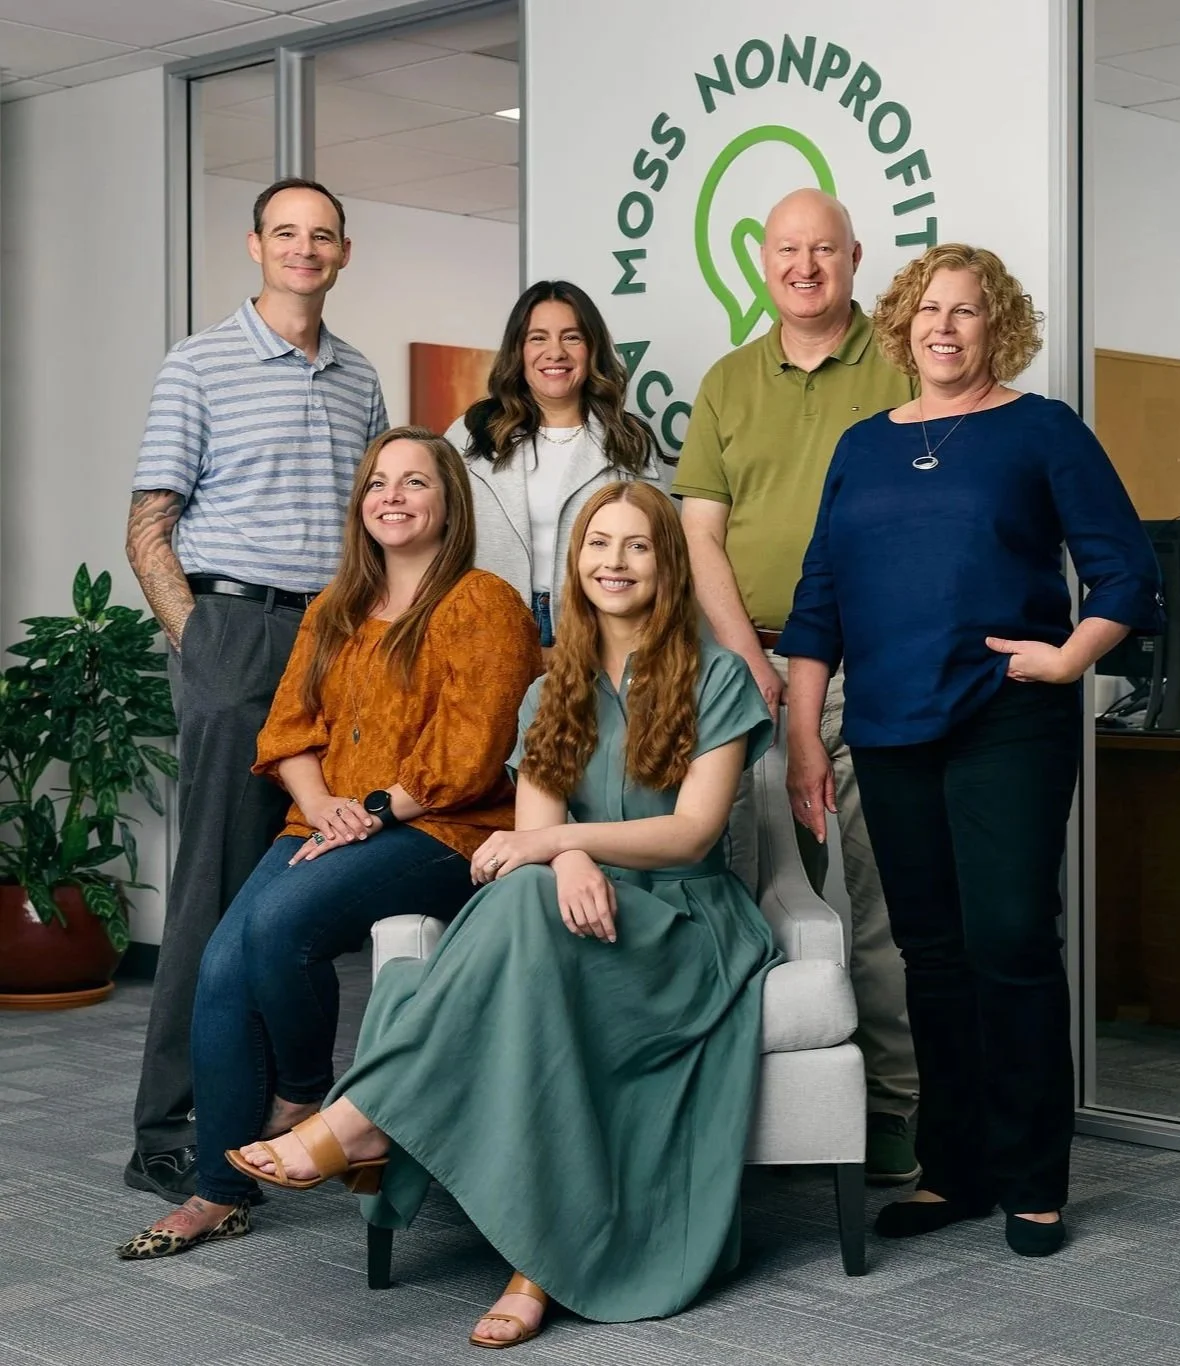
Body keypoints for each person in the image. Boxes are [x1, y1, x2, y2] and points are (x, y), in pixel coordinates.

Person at [221, 481, 780, 1344]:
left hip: (685, 922)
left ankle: (367, 1117)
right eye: (599, 545)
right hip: (575, 907)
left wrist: (561, 849)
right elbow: (538, 833)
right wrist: (570, 853)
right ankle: (532, 1258)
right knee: (524, 899)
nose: (615, 562)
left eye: (637, 546)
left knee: (522, 889)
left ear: (668, 563)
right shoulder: (547, 689)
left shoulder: (718, 675)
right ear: (576, 565)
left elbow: (692, 833)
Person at [779, 243, 1164, 1257]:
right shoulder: (861, 445)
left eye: (966, 313)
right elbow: (817, 603)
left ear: (996, 329)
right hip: (885, 727)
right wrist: (801, 741)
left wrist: (1067, 654)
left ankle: (1032, 1178)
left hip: (1005, 720)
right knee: (930, 957)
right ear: (902, 324)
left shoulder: (1040, 431)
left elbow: (1124, 570)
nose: (943, 327)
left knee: (1008, 943)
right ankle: (953, 1169)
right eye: (928, 310)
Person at [116, 427, 542, 1260]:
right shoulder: (335, 604)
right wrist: (325, 806)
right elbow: (289, 729)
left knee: (279, 928)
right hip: (330, 818)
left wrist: (372, 811)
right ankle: (219, 1189)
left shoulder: (483, 602)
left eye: (415, 482)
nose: (392, 496)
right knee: (223, 959)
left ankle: (306, 1094)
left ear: (447, 502)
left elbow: (473, 749)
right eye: (379, 482)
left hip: (446, 828)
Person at [124, 178, 389, 1202]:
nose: (304, 249)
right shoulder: (198, 364)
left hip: (332, 640)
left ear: (343, 252)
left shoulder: (359, 377)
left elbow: (370, 527)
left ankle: (289, 1106)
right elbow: (149, 528)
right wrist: (205, 651)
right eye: (286, 234)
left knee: (308, 880)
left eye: (322, 235)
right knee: (215, 886)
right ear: (255, 246)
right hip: (234, 629)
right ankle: (167, 1126)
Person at [672, 187, 920, 1184]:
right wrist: (750, 658)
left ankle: (896, 1114)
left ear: (854, 257)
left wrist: (812, 669)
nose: (803, 266)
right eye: (786, 250)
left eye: (822, 250)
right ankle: (725, 1102)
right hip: (743, 671)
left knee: (877, 900)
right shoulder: (727, 381)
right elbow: (697, 533)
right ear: (761, 262)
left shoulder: (904, 367)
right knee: (724, 883)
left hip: (870, 669)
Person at [448, 279, 668, 650]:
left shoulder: (631, 441)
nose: (555, 352)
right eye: (538, 338)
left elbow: (662, 548)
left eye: (571, 337)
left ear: (592, 349)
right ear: (518, 350)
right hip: (484, 626)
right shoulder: (471, 435)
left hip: (600, 630)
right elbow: (437, 538)